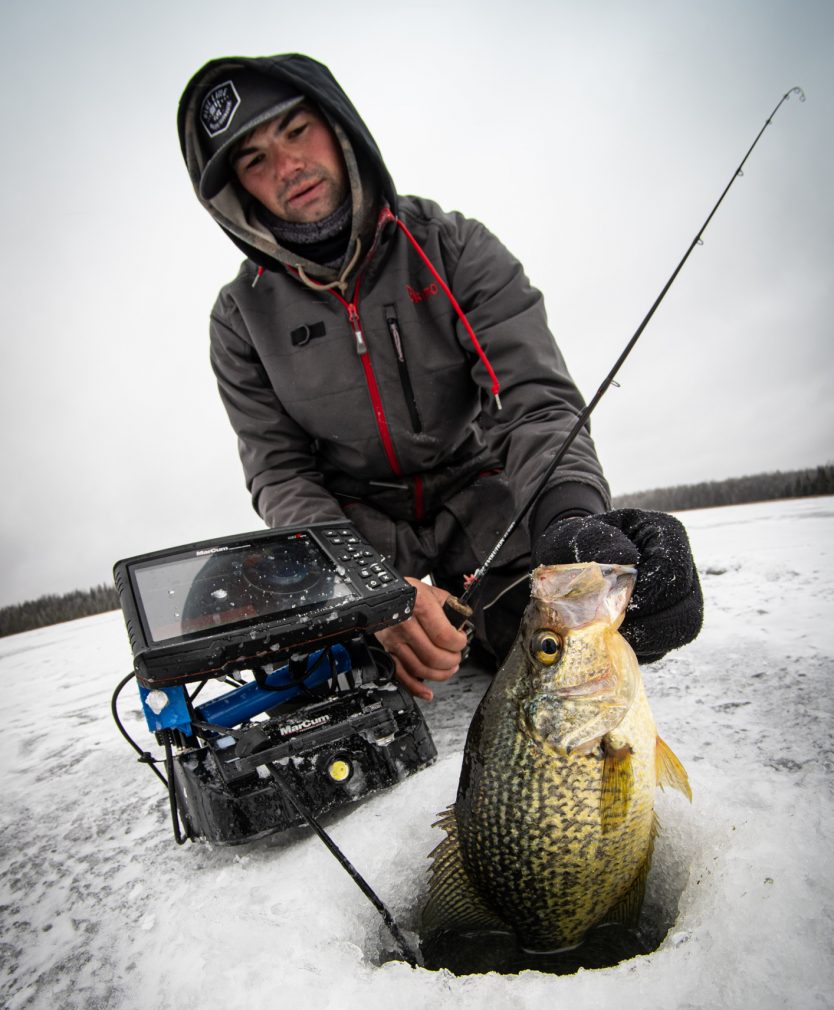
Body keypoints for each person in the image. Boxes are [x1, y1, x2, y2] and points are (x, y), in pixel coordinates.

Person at [177, 54, 703, 699]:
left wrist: (571, 527)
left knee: (568, 637)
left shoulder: (455, 248)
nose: (287, 167)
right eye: (254, 159)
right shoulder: (239, 319)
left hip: (481, 502)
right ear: (236, 192)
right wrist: (374, 589)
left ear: (338, 128)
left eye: (295, 130)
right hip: (356, 524)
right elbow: (281, 472)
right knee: (315, 667)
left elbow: (533, 403)